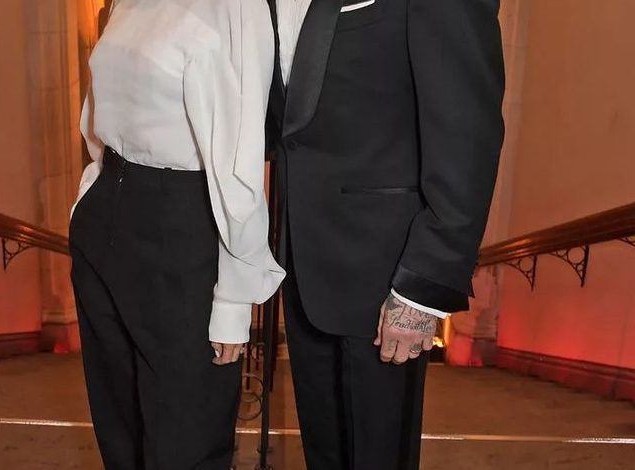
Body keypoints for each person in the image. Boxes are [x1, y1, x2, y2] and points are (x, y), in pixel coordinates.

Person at [267, 0, 505, 468]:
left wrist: (425, 283)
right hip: (302, 259)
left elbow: (467, 127)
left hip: (386, 270)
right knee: (324, 452)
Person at [68, 0, 284, 468]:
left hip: (183, 231)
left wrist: (233, 300)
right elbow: (100, 109)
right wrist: (89, 197)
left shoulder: (236, 7)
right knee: (119, 436)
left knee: (186, 443)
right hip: (105, 219)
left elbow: (240, 158)